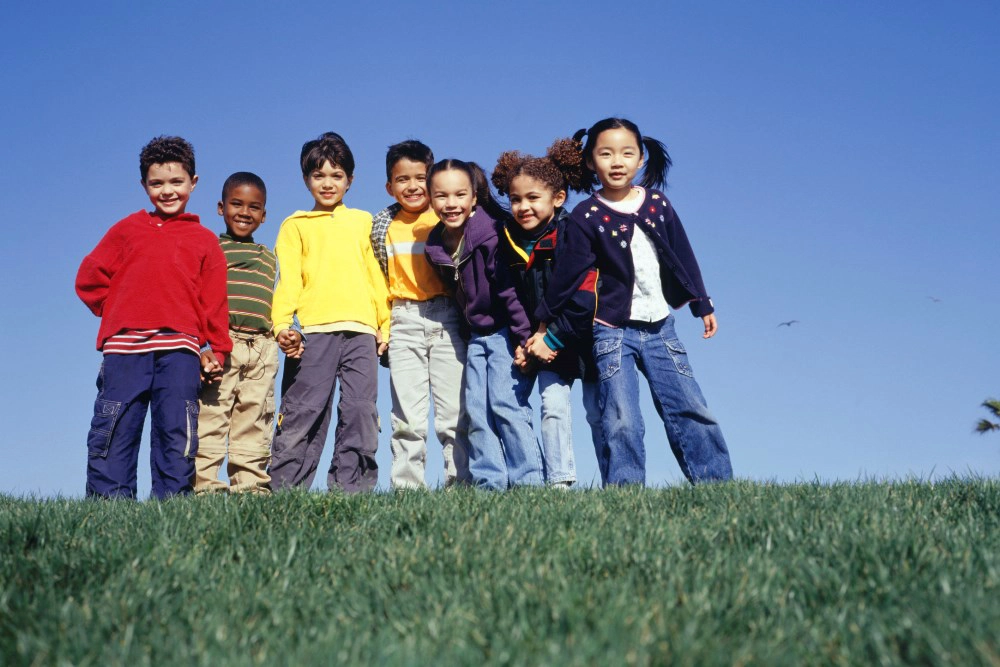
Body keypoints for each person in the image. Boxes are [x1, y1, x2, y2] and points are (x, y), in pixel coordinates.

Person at [531, 118, 733, 486]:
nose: (617, 161)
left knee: (690, 405)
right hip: (611, 332)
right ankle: (625, 493)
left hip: (661, 329)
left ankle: (716, 484)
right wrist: (543, 323)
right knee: (621, 417)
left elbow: (682, 255)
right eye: (605, 153)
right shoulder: (585, 217)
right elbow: (567, 277)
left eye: (627, 153)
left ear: (641, 159)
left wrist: (701, 302)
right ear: (591, 162)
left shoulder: (656, 203)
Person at [76, 136, 231, 499]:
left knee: (177, 429)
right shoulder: (126, 230)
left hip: (179, 352)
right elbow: (89, 278)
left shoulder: (205, 241)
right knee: (115, 425)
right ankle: (108, 505)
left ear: (193, 182)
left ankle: (172, 504)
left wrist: (218, 351)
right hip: (124, 351)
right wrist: (117, 307)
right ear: (144, 185)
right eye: (156, 183)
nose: (167, 191)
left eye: (176, 182)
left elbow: (214, 304)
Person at [268, 132, 389, 493]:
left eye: (336, 175)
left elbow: (376, 277)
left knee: (360, 412)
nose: (328, 183)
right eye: (319, 175)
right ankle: (284, 492)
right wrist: (281, 325)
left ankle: (351, 491)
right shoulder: (295, 225)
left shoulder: (362, 222)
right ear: (306, 180)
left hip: (362, 333)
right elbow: (288, 280)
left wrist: (385, 323)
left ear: (350, 180)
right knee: (304, 412)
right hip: (313, 332)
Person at [424, 159, 543, 490]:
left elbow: (509, 292)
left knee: (506, 405)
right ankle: (490, 483)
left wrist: (523, 339)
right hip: (477, 337)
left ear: (474, 197)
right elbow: (457, 294)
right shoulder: (434, 246)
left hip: (507, 332)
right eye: (442, 196)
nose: (451, 204)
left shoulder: (489, 234)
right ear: (430, 200)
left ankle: (529, 483)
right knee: (476, 410)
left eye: (460, 194)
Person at [492, 140, 603, 488]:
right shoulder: (508, 242)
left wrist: (549, 335)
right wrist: (525, 341)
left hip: (587, 338)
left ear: (558, 198)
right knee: (551, 406)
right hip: (543, 345)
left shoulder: (574, 235)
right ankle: (560, 484)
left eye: (532, 198)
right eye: (515, 199)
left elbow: (585, 295)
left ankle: (615, 484)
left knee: (600, 415)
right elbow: (511, 299)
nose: (522, 207)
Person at [370, 141, 470, 489]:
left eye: (420, 178)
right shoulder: (383, 226)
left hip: (447, 318)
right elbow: (379, 281)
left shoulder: (446, 218)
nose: (411, 186)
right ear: (389, 186)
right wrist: (383, 327)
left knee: (453, 414)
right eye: (402, 179)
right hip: (404, 319)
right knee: (407, 417)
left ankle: (460, 486)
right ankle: (408, 489)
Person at [194, 172, 280, 494]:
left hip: (261, 347)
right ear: (221, 207)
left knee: (254, 419)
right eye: (236, 204)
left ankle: (250, 487)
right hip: (222, 343)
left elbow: (280, 299)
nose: (245, 212)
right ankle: (204, 488)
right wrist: (203, 345)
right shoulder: (211, 249)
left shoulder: (270, 258)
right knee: (212, 417)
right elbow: (199, 298)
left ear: (264, 214)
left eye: (254, 207)